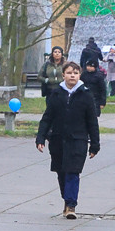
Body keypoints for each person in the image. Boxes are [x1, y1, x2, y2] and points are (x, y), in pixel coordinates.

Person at [36, 62, 100, 219]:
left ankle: (71, 205)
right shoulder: (56, 94)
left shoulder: (86, 94)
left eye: (76, 73)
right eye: (70, 72)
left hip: (78, 140)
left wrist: (95, 145)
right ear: (63, 74)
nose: (73, 75)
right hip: (58, 140)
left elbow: (92, 122)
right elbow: (47, 118)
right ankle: (67, 199)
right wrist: (41, 137)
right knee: (62, 173)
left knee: (73, 171)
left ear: (79, 75)